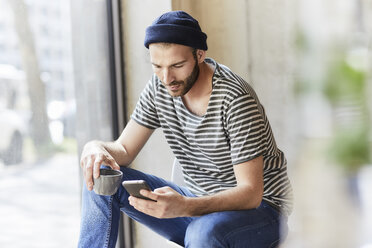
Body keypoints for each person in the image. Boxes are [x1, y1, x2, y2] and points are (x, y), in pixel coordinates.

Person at [78, 10, 293, 248]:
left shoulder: (234, 99)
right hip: (195, 203)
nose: (167, 78)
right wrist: (95, 147)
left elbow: (250, 193)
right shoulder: (159, 87)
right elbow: (124, 149)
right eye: (157, 66)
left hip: (261, 211)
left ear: (199, 55)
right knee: (101, 175)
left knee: (202, 235)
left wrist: (185, 205)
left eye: (177, 65)